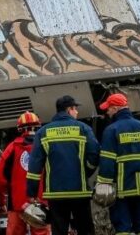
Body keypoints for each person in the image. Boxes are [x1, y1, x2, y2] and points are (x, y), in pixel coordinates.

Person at [26, 95, 100, 235]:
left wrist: (32, 192)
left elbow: (34, 166)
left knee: (59, 230)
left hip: (55, 193)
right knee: (85, 228)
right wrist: (86, 171)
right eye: (75, 109)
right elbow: (95, 155)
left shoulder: (43, 132)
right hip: (80, 191)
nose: (77, 112)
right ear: (69, 109)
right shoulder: (83, 129)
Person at [96, 93, 140, 235]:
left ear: (115, 108)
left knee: (122, 227)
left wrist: (103, 187)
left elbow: (107, 162)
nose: (107, 112)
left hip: (120, 190)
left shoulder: (111, 130)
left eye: (108, 109)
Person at [0, 112, 49, 235]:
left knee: (15, 232)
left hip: (16, 202)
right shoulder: (45, 145)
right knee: (41, 231)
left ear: (20, 128)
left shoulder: (12, 148)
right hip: (41, 201)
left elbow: (0, 175)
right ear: (38, 126)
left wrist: (4, 195)